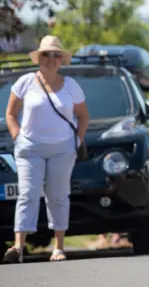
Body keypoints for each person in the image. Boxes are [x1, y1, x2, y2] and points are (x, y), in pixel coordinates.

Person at [3, 35, 89, 263]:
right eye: (46, 55)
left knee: (58, 195)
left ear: (61, 60)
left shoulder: (71, 85)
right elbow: (10, 114)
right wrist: (18, 137)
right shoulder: (25, 82)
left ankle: (59, 247)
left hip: (63, 149)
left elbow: (83, 116)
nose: (50, 59)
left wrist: (78, 141)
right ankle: (18, 247)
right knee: (27, 194)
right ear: (39, 58)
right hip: (30, 149)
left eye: (55, 55)